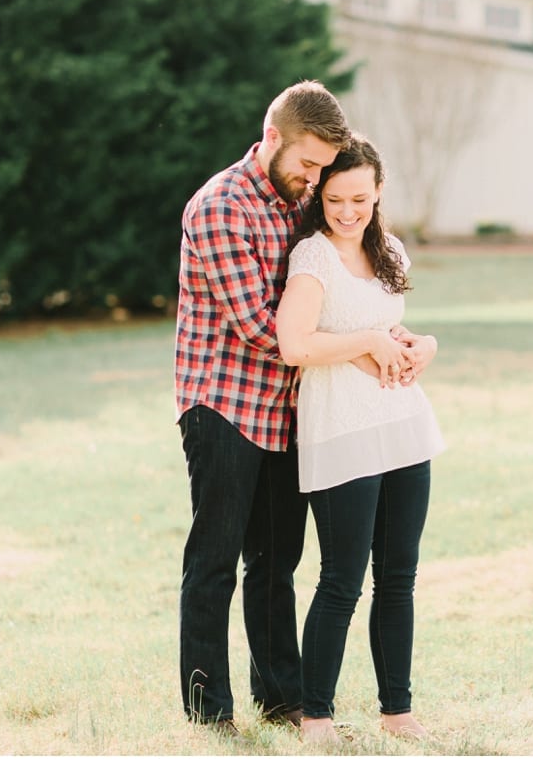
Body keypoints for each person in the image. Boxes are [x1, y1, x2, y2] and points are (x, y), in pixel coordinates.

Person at [174, 81, 419, 734]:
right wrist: (370, 352)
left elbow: (338, 291)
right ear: (273, 136)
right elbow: (262, 327)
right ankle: (208, 709)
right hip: (223, 403)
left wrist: (383, 337)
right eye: (307, 165)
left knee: (276, 562)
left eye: (322, 168)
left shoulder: (298, 202)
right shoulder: (219, 207)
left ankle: (280, 697)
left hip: (288, 410)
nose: (314, 180)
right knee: (215, 559)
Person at [276, 136, 444, 744]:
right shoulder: (313, 258)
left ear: (378, 194)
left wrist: (423, 344)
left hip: (402, 426)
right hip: (341, 429)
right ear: (319, 197)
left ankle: (397, 712)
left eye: (360, 199)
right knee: (342, 578)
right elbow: (297, 346)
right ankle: (316, 716)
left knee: (399, 575)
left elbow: (387, 325)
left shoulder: (390, 249)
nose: (348, 211)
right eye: (335, 199)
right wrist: (370, 344)